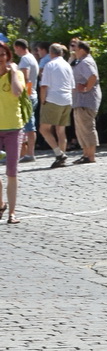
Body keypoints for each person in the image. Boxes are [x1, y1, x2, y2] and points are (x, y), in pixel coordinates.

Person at [0, 38, 27, 222]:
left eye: (2, 55)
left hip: (13, 128)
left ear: (8, 55)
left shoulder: (14, 75)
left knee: (12, 172)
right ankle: (1, 204)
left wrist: (15, 71)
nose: (0, 58)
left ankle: (12, 213)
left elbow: (17, 92)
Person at [38, 43, 74, 168]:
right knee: (61, 130)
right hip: (67, 99)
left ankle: (59, 154)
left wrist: (43, 101)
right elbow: (72, 85)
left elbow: (44, 85)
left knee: (44, 129)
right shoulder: (67, 66)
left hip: (53, 99)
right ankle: (61, 157)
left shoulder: (49, 65)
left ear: (50, 53)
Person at [69, 38, 101, 164]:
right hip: (79, 100)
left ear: (81, 50)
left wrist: (87, 87)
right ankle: (86, 154)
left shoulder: (86, 62)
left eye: (74, 47)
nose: (72, 49)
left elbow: (93, 76)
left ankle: (90, 155)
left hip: (85, 100)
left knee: (87, 127)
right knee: (81, 129)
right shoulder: (79, 61)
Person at [12, 40, 37, 161]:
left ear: (17, 47)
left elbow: (25, 78)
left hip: (28, 96)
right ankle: (26, 153)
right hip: (32, 94)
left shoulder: (25, 59)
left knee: (28, 126)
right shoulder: (31, 57)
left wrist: (24, 95)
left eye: (15, 49)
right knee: (28, 125)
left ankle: (29, 154)